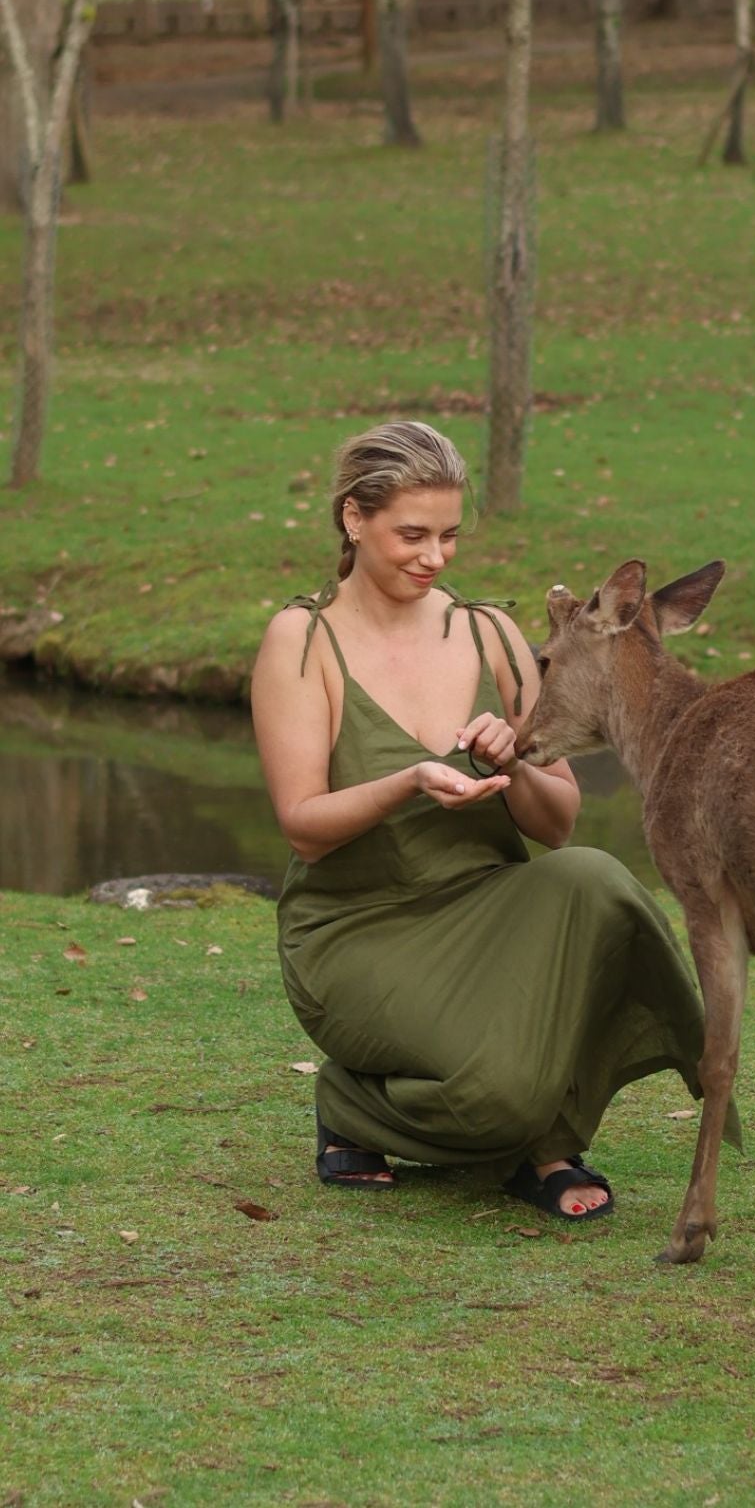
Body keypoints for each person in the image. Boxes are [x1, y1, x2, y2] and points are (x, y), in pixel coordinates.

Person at [251, 420, 718, 1220]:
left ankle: (552, 1137)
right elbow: (303, 825)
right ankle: (354, 1105)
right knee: (496, 1098)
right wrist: (408, 780)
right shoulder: (303, 640)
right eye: (412, 535)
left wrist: (513, 766)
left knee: (596, 879)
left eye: (449, 535)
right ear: (354, 518)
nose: (435, 557)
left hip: (487, 909)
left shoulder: (489, 632)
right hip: (358, 930)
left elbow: (558, 824)